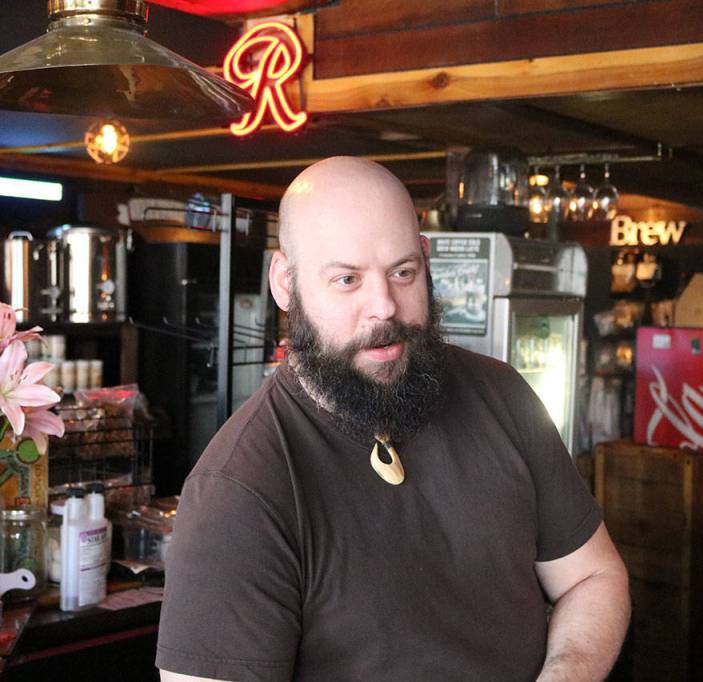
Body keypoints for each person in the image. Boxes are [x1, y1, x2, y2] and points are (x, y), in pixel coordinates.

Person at [157, 157, 630, 682]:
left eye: (403, 272)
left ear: (426, 258)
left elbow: (592, 576)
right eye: (347, 279)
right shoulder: (239, 490)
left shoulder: (503, 397)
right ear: (285, 284)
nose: (384, 306)